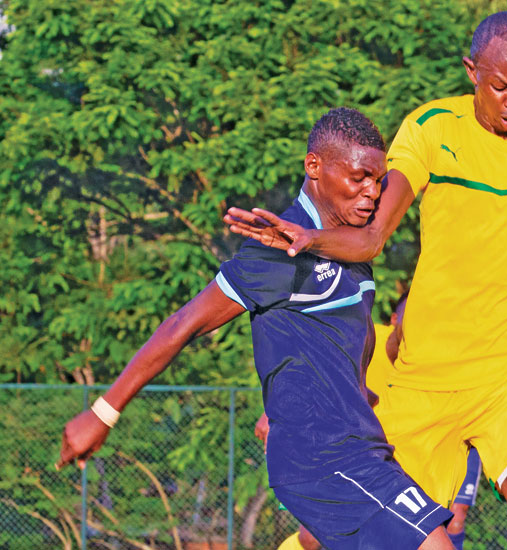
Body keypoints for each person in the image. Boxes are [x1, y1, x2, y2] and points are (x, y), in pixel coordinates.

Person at [224, 12, 507, 550]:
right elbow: (372, 238)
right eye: (501, 86)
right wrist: (308, 239)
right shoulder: (432, 130)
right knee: (328, 537)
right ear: (472, 71)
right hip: (426, 379)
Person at [56, 108, 455, 550]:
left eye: (378, 180)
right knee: (433, 543)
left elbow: (334, 339)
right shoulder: (276, 250)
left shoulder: (351, 241)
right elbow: (182, 324)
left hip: (359, 446)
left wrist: (349, 392)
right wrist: (103, 412)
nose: (371, 192)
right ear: (314, 167)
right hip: (321, 456)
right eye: (360, 177)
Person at [263, 292, 480, 550]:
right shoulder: (365, 340)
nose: (423, 326)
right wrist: (272, 409)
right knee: (311, 537)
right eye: (415, 317)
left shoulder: (443, 364)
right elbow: (312, 365)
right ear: (395, 319)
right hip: (360, 453)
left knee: (445, 522)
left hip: (423, 451)